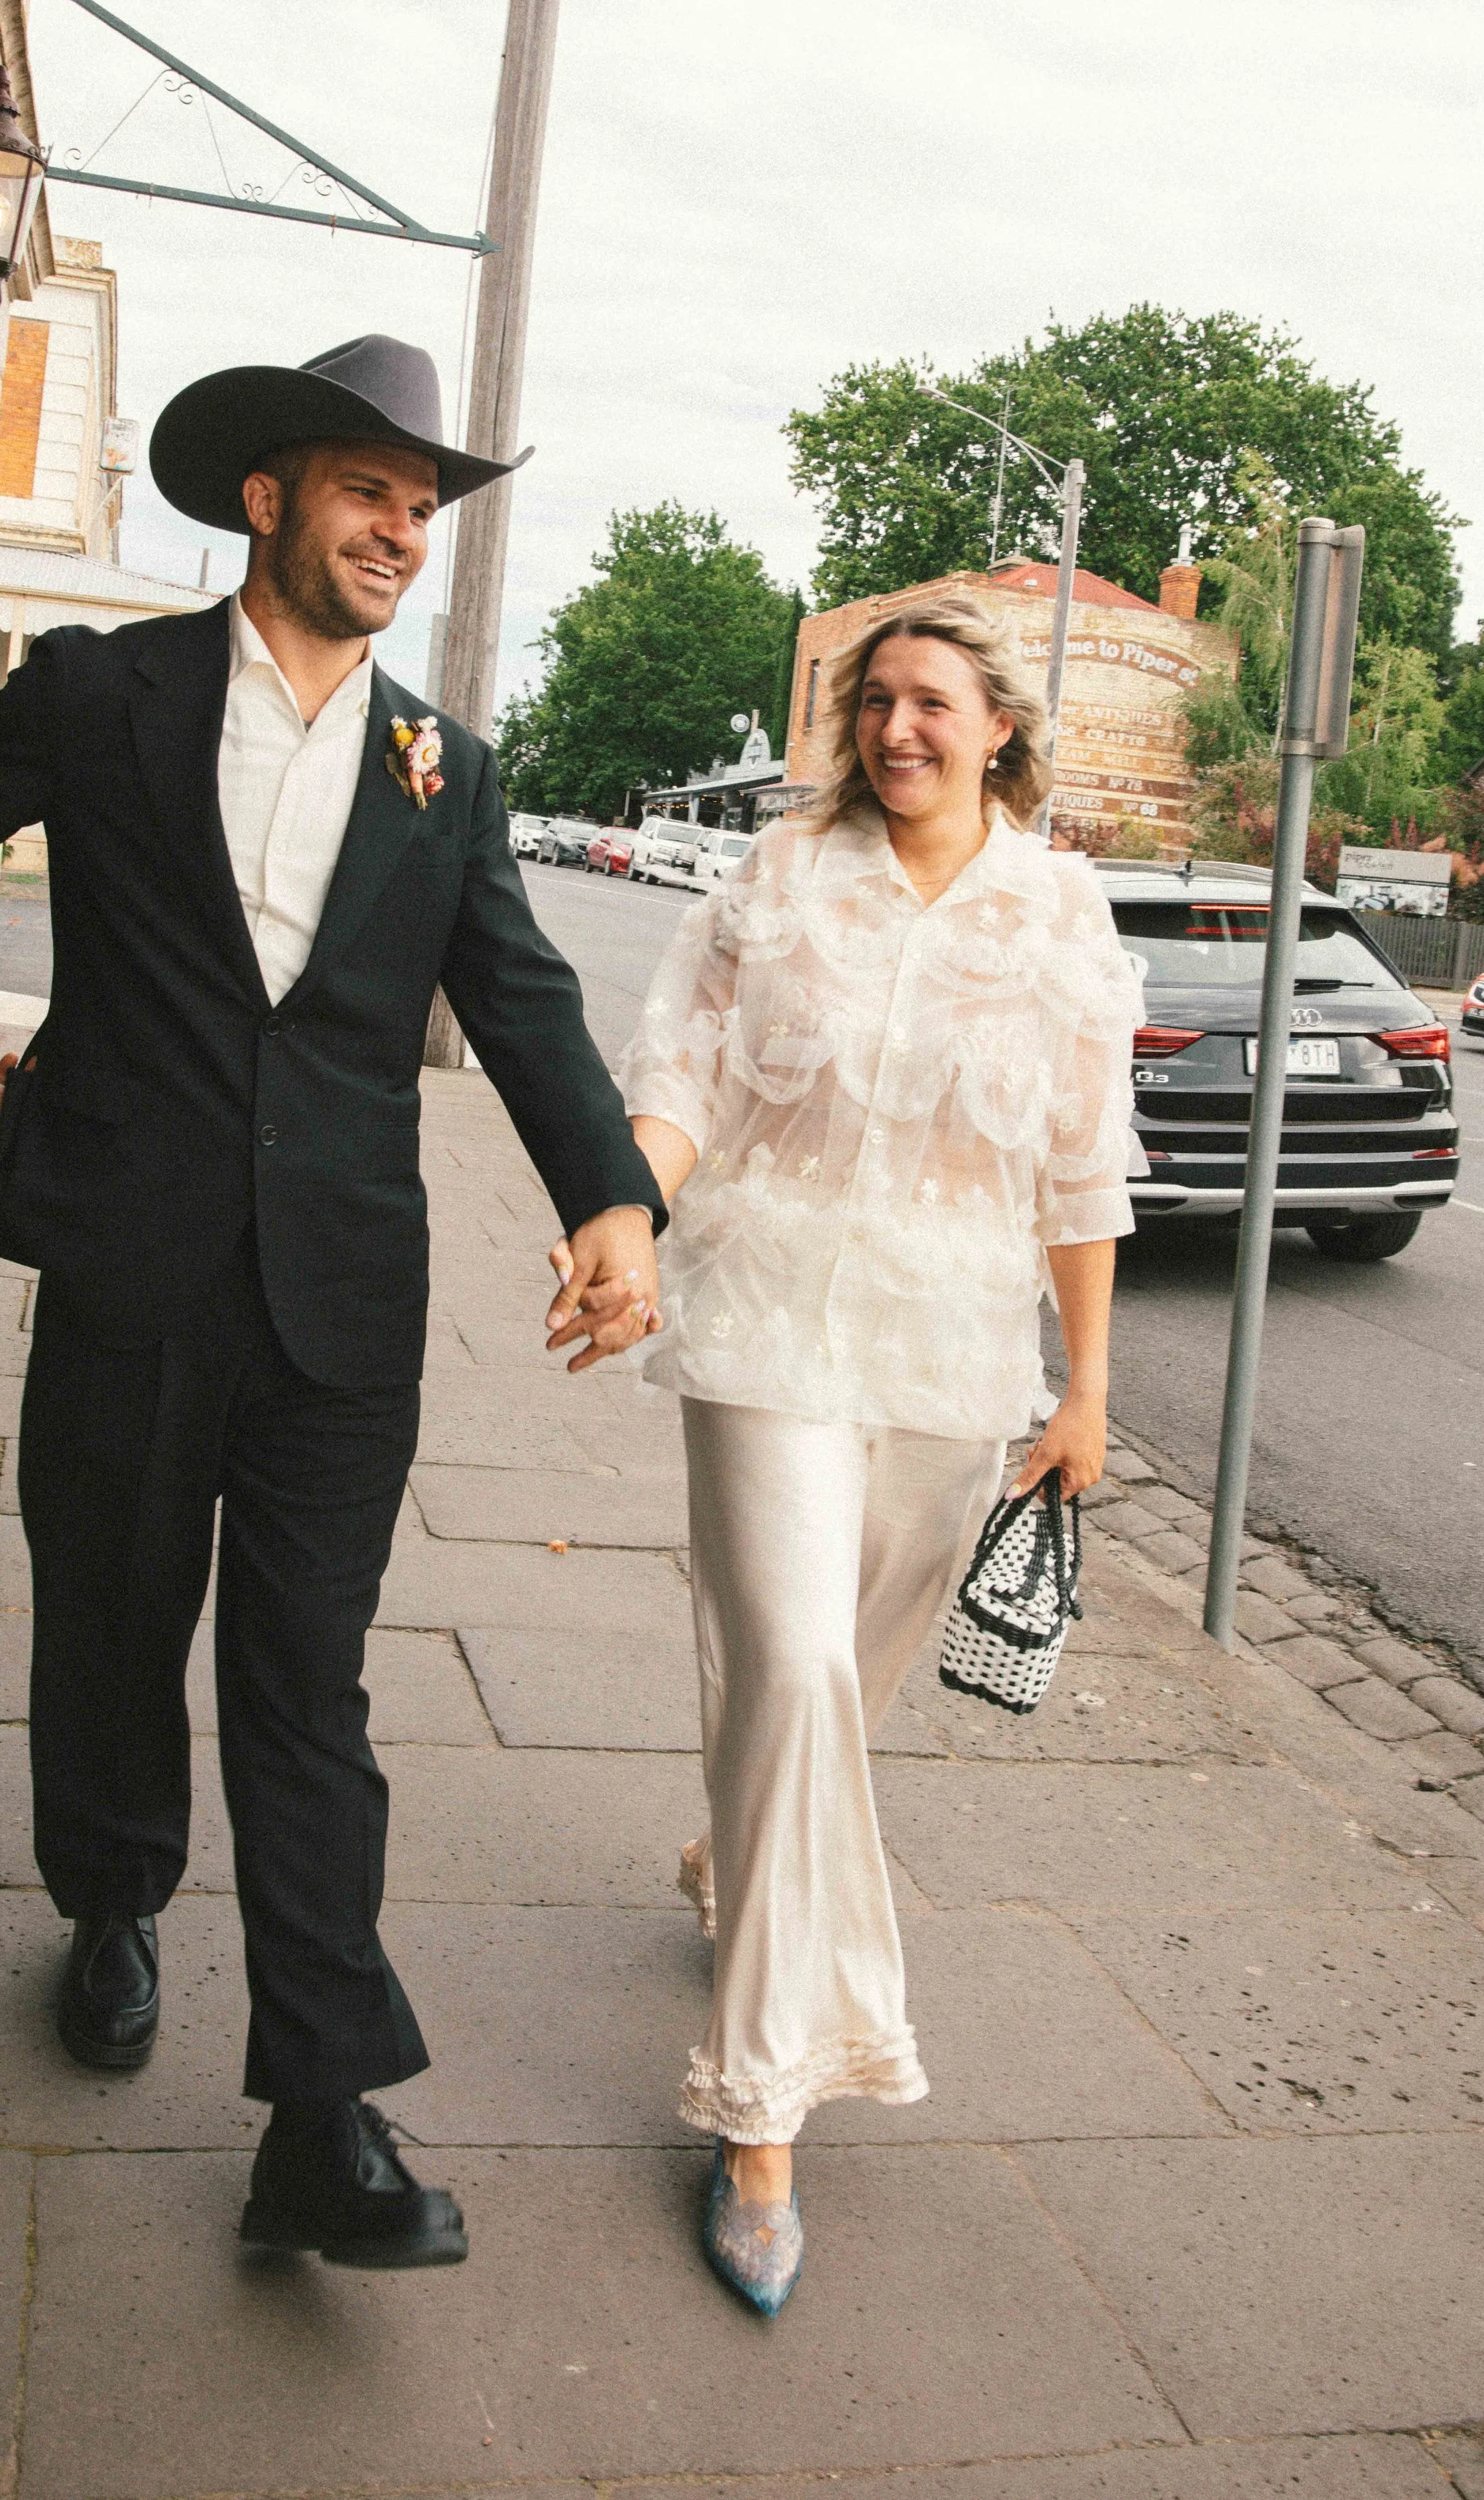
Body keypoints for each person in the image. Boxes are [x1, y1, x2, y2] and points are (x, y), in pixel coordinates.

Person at [0, 334, 663, 2272]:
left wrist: (614, 1203)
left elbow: (522, 999)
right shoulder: (104, 690)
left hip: (343, 1302)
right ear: (267, 498)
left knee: (308, 1684)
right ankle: (113, 1898)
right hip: (130, 1259)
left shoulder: (442, 765)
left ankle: (322, 2108)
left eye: (427, 504)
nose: (404, 530)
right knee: (116, 1618)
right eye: (370, 490)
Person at [618, 594, 1143, 2313]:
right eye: (872, 704)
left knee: (840, 1678)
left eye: (930, 704)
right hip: (762, 1314)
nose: (894, 731)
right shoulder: (771, 882)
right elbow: (680, 1069)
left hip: (951, 1356)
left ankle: (730, 1852)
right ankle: (762, 2100)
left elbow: (1081, 1167)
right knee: (788, 1657)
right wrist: (625, 1216)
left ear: (999, 727)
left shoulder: (1060, 914)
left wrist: (1082, 1393)